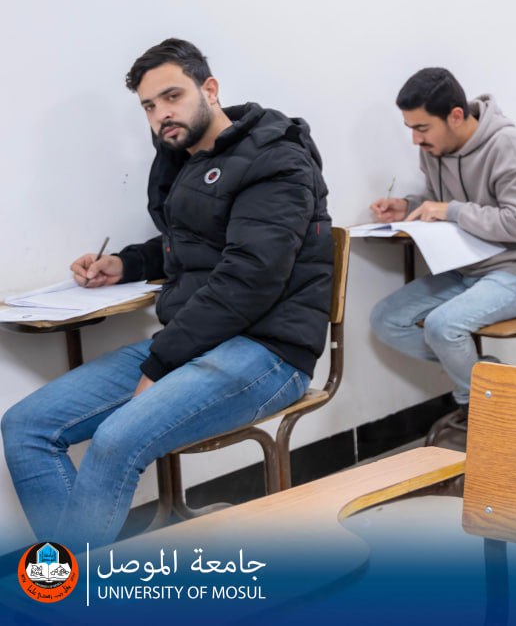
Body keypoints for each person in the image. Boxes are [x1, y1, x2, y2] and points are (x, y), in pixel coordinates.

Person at [2, 38, 332, 548]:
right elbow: (195, 241)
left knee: (116, 439)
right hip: (197, 338)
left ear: (210, 89)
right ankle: (81, 577)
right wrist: (126, 264)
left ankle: (68, 585)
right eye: (149, 107)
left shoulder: (275, 157)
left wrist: (160, 364)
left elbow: (250, 275)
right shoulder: (187, 159)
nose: (161, 115)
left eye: (172, 97)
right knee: (26, 425)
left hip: (269, 350)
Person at [368, 69, 516, 435]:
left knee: (443, 326)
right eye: (410, 128)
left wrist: (450, 210)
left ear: (456, 116)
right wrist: (407, 206)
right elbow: (438, 202)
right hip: (467, 267)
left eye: (422, 128)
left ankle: (481, 417)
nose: (415, 139)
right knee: (385, 320)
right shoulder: (434, 150)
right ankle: (489, 377)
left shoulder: (507, 147)